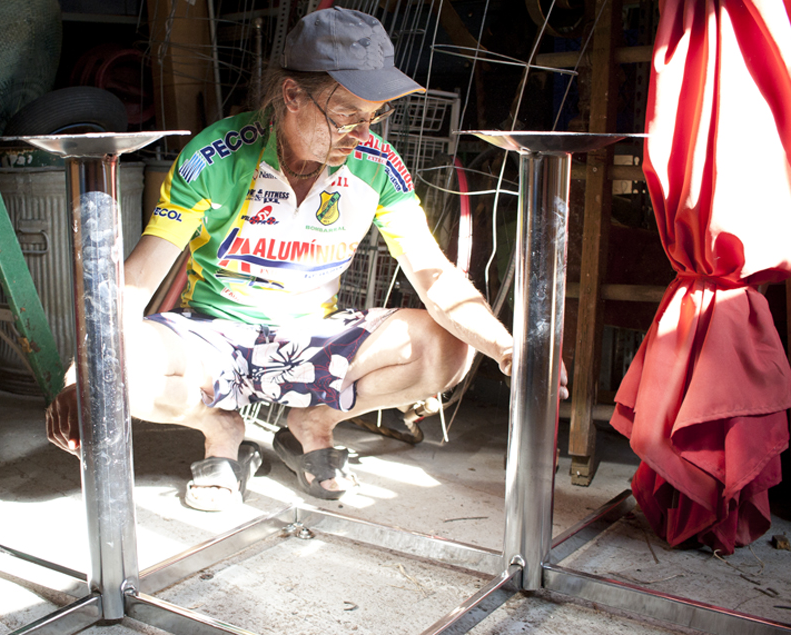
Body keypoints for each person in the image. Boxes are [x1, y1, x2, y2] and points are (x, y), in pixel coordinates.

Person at [46, 7, 567, 511]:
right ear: (291, 94)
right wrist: (81, 376)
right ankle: (219, 430)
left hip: (312, 336)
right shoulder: (217, 156)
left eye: (372, 117)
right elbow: (138, 278)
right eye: (345, 116)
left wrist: (509, 347)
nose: (363, 134)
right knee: (121, 361)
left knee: (446, 345)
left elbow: (432, 273)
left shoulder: (377, 166)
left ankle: (312, 424)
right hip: (212, 337)